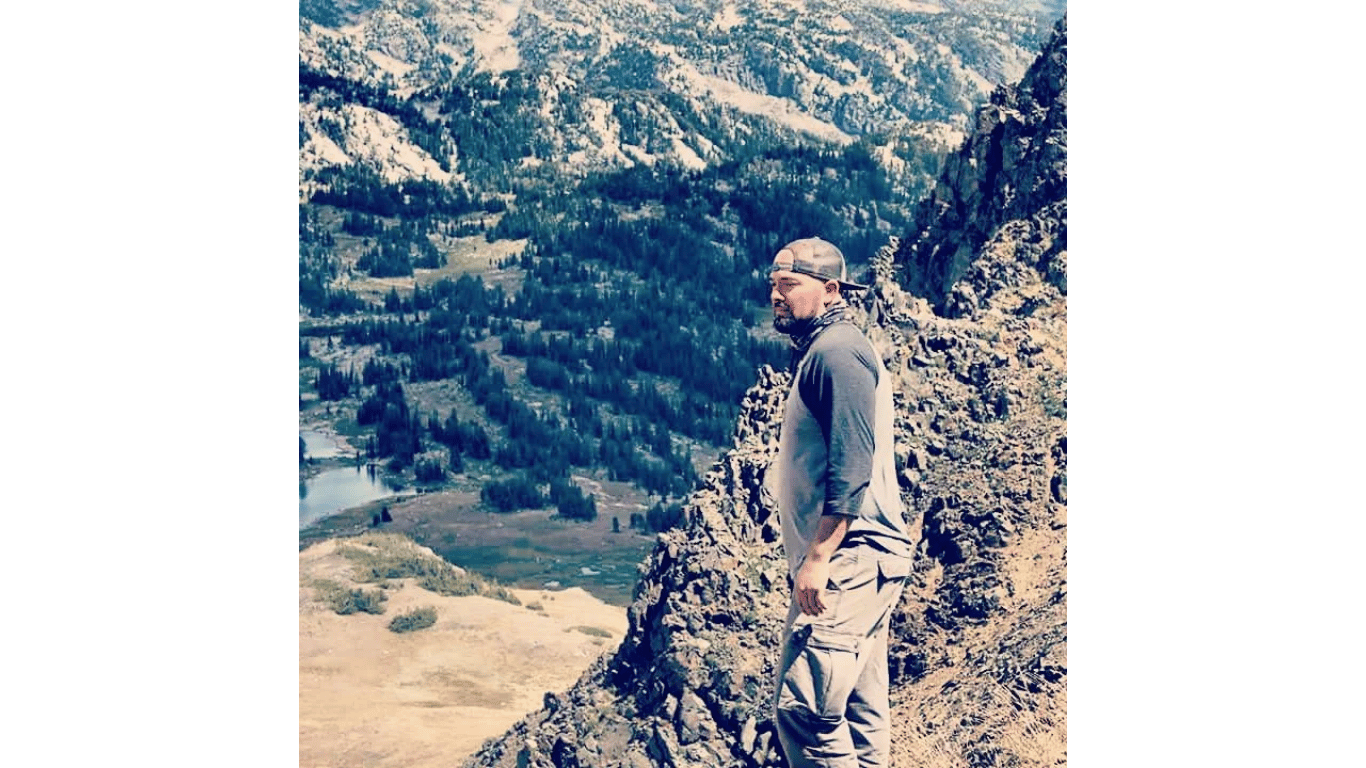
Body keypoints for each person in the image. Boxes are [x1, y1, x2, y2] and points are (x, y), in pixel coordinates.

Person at [765, 237, 914, 768]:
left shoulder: (837, 354)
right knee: (856, 710)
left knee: (805, 711)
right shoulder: (828, 350)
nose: (777, 296)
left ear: (830, 289)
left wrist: (820, 557)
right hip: (863, 562)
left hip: (851, 560)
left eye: (790, 285)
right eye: (774, 285)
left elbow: (851, 464)